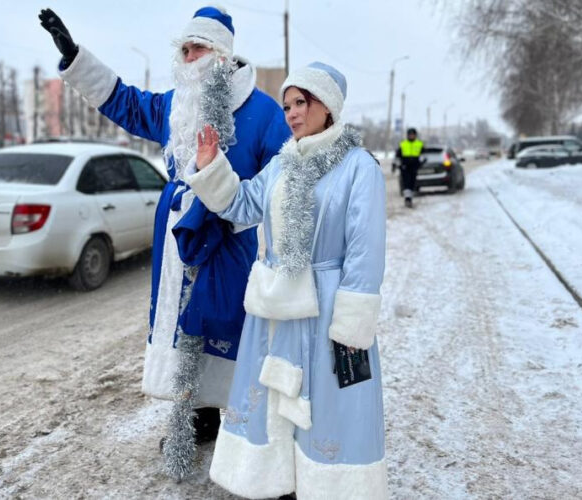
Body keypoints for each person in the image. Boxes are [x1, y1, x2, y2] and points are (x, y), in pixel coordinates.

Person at [38, 6, 292, 480]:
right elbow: (126, 103)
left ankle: (240, 422)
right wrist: (76, 59)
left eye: (195, 48)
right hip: (176, 242)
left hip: (229, 240)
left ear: (219, 54)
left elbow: (282, 181)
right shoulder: (176, 105)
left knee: (229, 326)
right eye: (184, 48)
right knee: (181, 326)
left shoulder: (262, 111)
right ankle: (199, 414)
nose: (187, 56)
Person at [186, 63, 388, 499]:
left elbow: (365, 250)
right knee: (273, 402)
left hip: (329, 307)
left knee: (330, 403)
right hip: (276, 309)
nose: (293, 113)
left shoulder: (359, 167)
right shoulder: (281, 165)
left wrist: (352, 322)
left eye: (302, 102)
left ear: (327, 106)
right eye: (287, 105)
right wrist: (211, 169)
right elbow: (241, 205)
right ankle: (275, 482)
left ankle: (329, 485)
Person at [395, 127, 424, 208]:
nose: (411, 136)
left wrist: (421, 163)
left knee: (412, 183)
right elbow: (397, 156)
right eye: (410, 135)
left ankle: (409, 198)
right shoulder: (403, 144)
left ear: (415, 135)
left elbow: (423, 155)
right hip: (405, 167)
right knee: (406, 183)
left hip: (414, 167)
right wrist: (396, 165)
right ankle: (407, 199)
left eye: (413, 135)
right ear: (407, 135)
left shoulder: (419, 144)